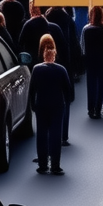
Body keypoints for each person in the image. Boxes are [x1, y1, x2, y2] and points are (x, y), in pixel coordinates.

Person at [30, 35, 73, 175]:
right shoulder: (61, 70)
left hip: (41, 105)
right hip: (57, 106)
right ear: (54, 56)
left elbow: (32, 89)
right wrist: (66, 102)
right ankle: (55, 166)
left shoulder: (36, 69)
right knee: (55, 135)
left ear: (44, 56)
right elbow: (68, 90)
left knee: (41, 135)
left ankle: (42, 165)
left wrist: (32, 105)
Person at [82, 7, 103, 118]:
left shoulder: (86, 29)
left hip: (90, 60)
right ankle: (98, 109)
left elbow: (83, 46)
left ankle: (91, 109)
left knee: (91, 85)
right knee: (101, 85)